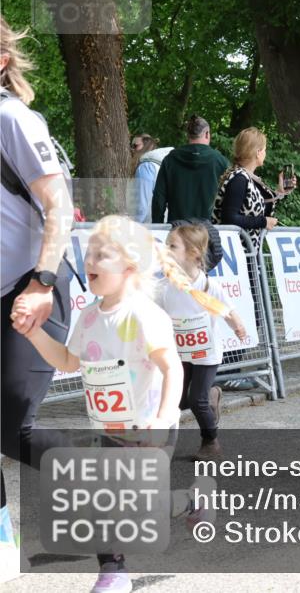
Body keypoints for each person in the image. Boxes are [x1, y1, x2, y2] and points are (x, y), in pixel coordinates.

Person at [16, 215, 211, 593]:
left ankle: (191, 502)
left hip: (149, 429)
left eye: (101, 255)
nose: (89, 260)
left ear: (129, 267)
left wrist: (164, 418)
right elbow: (67, 361)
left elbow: (172, 368)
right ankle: (113, 571)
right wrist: (34, 333)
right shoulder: (89, 316)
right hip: (108, 430)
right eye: (88, 252)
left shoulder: (144, 315)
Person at [1, 16, 74, 555]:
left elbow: (59, 205)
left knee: (11, 426)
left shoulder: (11, 119)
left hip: (31, 287)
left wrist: (43, 282)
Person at [157, 222, 247, 460]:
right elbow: (153, 315)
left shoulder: (208, 286)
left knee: (197, 399)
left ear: (193, 254)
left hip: (207, 353)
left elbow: (227, 310)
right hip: (180, 353)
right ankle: (211, 396)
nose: (166, 250)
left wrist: (237, 326)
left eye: (172, 246)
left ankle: (210, 441)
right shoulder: (164, 288)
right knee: (178, 400)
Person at [212, 127, 296, 253]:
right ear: (258, 152)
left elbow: (259, 209)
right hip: (239, 254)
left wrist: (281, 192)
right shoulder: (240, 179)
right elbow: (229, 218)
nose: (265, 153)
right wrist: (263, 222)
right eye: (265, 150)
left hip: (244, 252)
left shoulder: (246, 177)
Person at [151, 116, 229, 223]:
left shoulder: (170, 159)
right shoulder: (221, 162)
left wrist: (158, 226)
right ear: (207, 134)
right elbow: (229, 200)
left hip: (178, 229)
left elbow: (159, 199)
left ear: (188, 135)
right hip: (210, 230)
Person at [129, 134, 173, 223]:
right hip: (166, 220)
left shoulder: (145, 166)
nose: (132, 149)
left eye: (135, 146)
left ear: (147, 145)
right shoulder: (160, 163)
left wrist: (134, 224)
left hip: (150, 224)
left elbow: (142, 204)